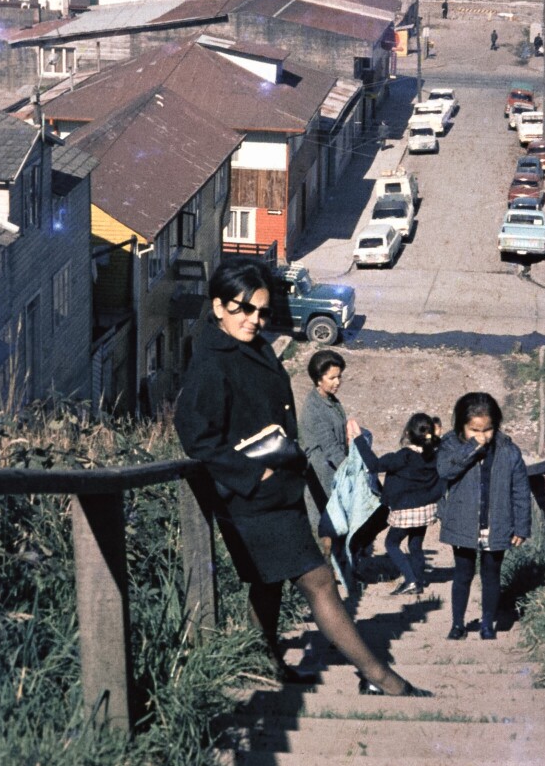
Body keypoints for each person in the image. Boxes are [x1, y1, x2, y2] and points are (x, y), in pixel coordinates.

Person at [175, 257, 431, 697]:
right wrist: (255, 475)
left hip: (277, 492)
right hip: (252, 499)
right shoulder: (211, 361)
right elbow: (195, 436)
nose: (254, 319)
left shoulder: (246, 345)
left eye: (260, 310)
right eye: (242, 309)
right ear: (217, 306)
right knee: (318, 580)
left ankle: (262, 664)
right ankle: (380, 677)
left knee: (268, 583)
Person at [437, 392, 530, 641]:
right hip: (463, 524)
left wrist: (521, 526)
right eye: (474, 430)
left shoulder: (508, 451)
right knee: (463, 574)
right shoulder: (450, 445)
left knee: (491, 575)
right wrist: (470, 448)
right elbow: (445, 470)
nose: (481, 436)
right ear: (461, 426)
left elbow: (520, 489)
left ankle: (488, 622)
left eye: (487, 430)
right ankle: (458, 624)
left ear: (496, 425)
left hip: (496, 524)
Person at [355, 413, 444, 596]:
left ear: (407, 433)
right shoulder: (433, 455)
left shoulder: (403, 457)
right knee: (415, 545)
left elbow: (373, 464)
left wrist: (358, 439)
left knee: (392, 544)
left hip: (406, 511)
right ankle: (419, 580)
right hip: (426, 509)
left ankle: (411, 581)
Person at [298, 350, 356, 553]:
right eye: (332, 378)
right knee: (326, 527)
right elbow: (330, 447)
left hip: (334, 472)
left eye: (339, 376)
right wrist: (353, 470)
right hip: (322, 476)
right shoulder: (314, 409)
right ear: (318, 379)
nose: (337, 382)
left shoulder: (331, 400)